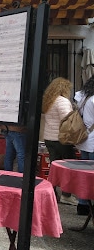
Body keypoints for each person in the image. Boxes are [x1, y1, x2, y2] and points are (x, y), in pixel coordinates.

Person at [42, 77, 77, 206]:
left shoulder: (49, 101)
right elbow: (68, 120)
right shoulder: (62, 101)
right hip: (61, 138)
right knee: (69, 166)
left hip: (49, 137)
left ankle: (51, 192)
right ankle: (66, 195)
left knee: (54, 167)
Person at [74, 75, 94, 215]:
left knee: (83, 174)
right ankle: (89, 205)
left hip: (84, 139)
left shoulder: (82, 96)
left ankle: (82, 204)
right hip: (92, 140)